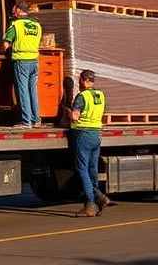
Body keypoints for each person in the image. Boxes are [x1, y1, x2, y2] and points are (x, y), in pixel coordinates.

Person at [70, 69, 111, 217]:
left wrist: (67, 111)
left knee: (82, 170)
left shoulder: (82, 96)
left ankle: (90, 204)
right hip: (96, 135)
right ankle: (100, 197)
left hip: (83, 134)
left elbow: (75, 117)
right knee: (92, 169)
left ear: (83, 80)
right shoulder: (100, 95)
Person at [0, 1, 43, 128]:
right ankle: (36, 120)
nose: (13, 14)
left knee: (23, 90)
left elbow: (6, 44)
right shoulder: (36, 25)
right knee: (32, 90)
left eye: (14, 11)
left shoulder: (16, 25)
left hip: (21, 60)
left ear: (18, 10)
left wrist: (1, 48)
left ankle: (26, 121)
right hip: (34, 61)